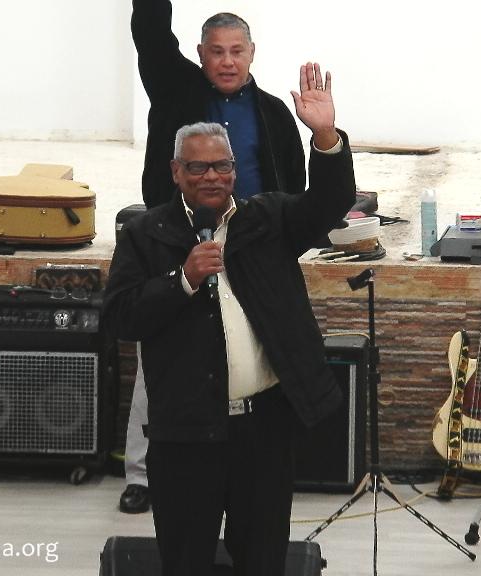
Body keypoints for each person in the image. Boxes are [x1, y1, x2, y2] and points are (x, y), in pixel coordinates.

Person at [103, 62, 352, 576]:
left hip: (263, 430)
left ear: (235, 170)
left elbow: (330, 203)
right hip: (185, 433)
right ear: (176, 172)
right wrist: (182, 279)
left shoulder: (268, 219)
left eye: (222, 166)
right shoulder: (147, 235)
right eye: (198, 168)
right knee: (186, 558)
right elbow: (121, 317)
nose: (212, 177)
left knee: (262, 558)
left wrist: (325, 136)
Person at [120, 0, 307, 514]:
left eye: (236, 52)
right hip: (181, 242)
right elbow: (151, 33)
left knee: (252, 353)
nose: (227, 61)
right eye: (217, 52)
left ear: (252, 54)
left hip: (249, 247)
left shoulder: (273, 113)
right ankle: (142, 474)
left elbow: (293, 189)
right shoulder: (175, 89)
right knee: (163, 359)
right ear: (200, 55)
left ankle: (251, 468)